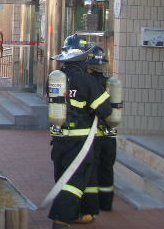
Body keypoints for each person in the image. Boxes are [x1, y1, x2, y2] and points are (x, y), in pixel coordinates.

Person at [47, 38, 112, 229]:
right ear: (82, 58)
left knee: (63, 177)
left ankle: (74, 214)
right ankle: (61, 219)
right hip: (79, 140)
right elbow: (105, 109)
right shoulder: (86, 80)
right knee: (74, 181)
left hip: (58, 139)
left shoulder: (55, 77)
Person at [81, 45, 117, 215]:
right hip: (109, 135)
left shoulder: (89, 83)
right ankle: (106, 203)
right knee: (107, 168)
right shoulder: (109, 81)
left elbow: (95, 108)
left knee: (92, 170)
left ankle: (91, 206)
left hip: (94, 135)